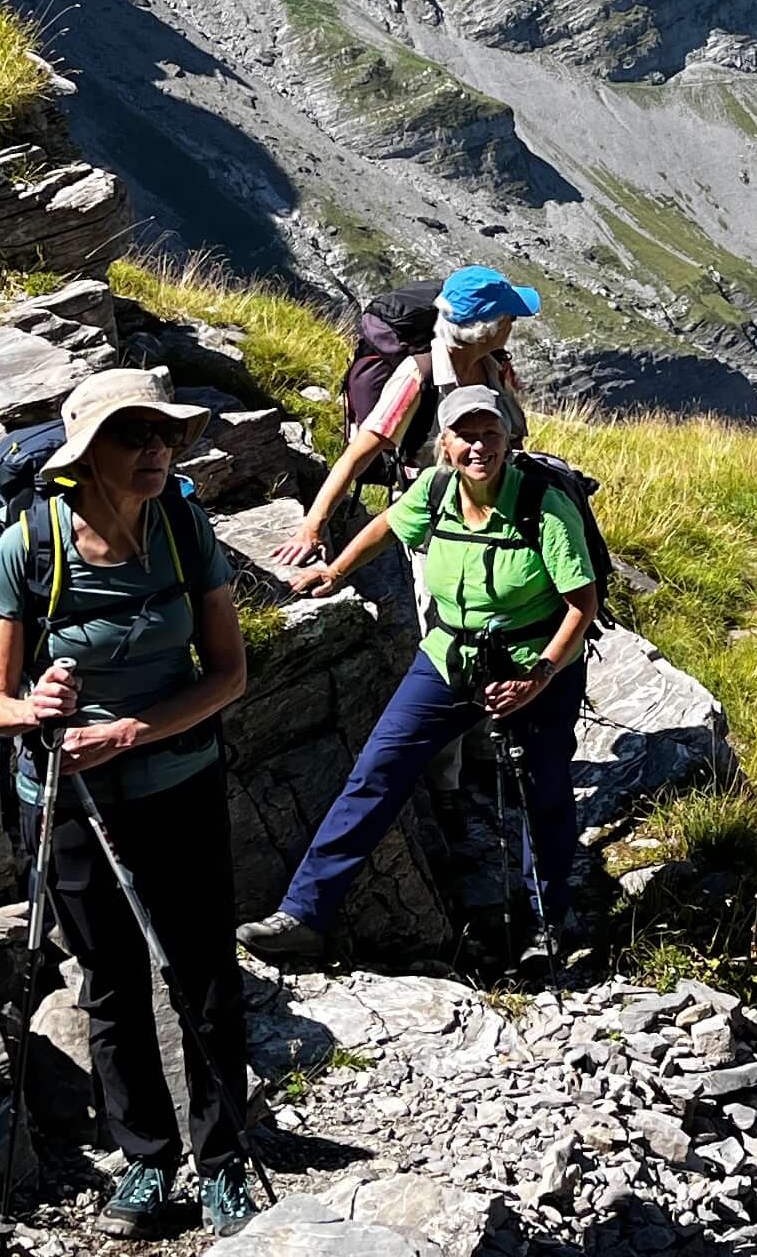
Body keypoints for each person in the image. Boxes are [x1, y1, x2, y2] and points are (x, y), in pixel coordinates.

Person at [0, 366, 269, 1240]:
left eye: (163, 434)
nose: (156, 450)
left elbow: (230, 675)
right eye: (133, 436)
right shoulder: (29, 545)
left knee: (203, 971)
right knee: (111, 979)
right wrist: (38, 710)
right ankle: (144, 1159)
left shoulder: (183, 526)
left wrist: (129, 730)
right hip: (66, 797)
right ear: (85, 454)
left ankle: (221, 1162)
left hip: (177, 784)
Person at [238, 384, 599, 977]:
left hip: (536, 662)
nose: (478, 445)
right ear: (445, 442)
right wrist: (333, 569)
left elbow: (580, 607)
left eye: (490, 432)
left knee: (543, 791)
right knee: (377, 772)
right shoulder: (434, 490)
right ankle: (304, 915)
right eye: (465, 433)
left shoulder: (543, 506)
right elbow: (386, 524)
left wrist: (538, 676)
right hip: (449, 656)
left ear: (509, 437)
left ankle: (547, 923)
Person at [270, 265, 543, 585]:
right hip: (440, 530)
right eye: (509, 317)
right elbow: (356, 456)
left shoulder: (494, 367)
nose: (513, 323)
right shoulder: (418, 376)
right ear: (488, 328)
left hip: (503, 513)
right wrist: (312, 528)